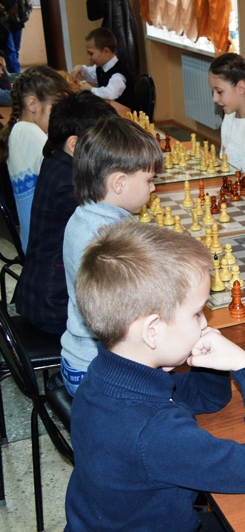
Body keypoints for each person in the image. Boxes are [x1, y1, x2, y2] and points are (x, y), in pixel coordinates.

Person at [64, 222, 245, 530]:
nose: (205, 322)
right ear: (152, 330)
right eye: (197, 313)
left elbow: (208, 398)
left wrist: (207, 361)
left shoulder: (106, 375)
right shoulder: (154, 432)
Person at [60, 116, 162, 395]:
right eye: (149, 180)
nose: (153, 188)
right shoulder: (109, 238)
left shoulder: (84, 216)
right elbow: (131, 311)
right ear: (119, 183)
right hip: (98, 374)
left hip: (77, 359)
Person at [14, 92, 116, 335]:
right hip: (55, 306)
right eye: (104, 142)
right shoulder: (68, 185)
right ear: (74, 144)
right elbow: (109, 229)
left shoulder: (57, 160)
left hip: (45, 292)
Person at [0, 65, 71, 253]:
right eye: (56, 108)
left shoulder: (20, 129)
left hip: (37, 238)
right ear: (32, 105)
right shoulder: (27, 132)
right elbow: (67, 173)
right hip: (44, 245)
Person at [70, 27, 135, 110]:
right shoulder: (102, 67)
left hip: (123, 114)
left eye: (91, 53)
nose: (89, 57)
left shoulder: (118, 74)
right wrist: (81, 68)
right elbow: (91, 74)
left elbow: (110, 94)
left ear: (106, 51)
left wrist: (91, 89)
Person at [0, 0, 32, 74]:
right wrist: (5, 14)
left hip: (17, 23)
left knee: (15, 50)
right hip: (4, 24)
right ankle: (15, 73)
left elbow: (28, 5)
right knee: (10, 49)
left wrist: (25, 15)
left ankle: (14, 73)